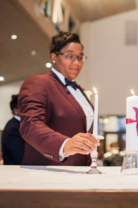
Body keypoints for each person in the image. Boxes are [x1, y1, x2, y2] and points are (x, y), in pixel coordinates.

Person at [18, 31, 99, 165]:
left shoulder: (81, 92)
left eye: (80, 58)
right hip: (49, 171)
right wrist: (65, 144)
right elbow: (30, 125)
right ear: (54, 57)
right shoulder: (39, 83)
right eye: (70, 56)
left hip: (81, 173)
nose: (76, 63)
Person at [1, 95, 25, 165]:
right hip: (16, 172)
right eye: (23, 107)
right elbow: (21, 157)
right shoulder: (14, 128)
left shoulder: (16, 124)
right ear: (15, 110)